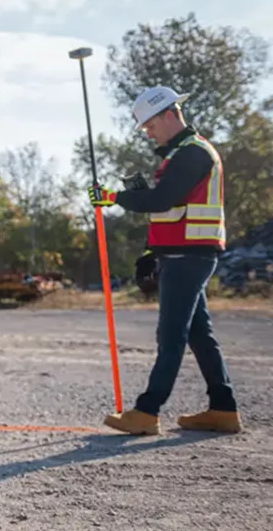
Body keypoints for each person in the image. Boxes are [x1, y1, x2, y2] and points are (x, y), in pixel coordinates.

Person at [87, 86, 242, 436]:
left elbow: (162, 199)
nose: (148, 132)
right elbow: (172, 210)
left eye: (149, 125)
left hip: (189, 256)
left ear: (168, 114)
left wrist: (113, 197)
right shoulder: (180, 156)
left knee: (170, 334)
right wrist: (149, 251)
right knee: (200, 335)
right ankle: (223, 408)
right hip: (182, 254)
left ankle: (147, 411)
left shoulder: (194, 154)